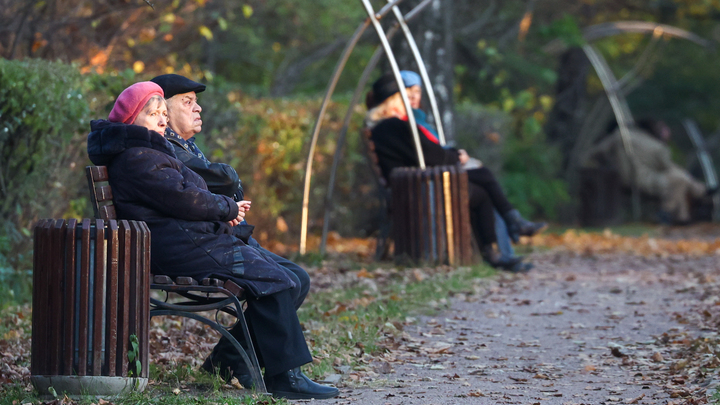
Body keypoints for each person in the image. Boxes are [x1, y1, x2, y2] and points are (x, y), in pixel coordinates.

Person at [86, 81, 339, 400]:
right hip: (181, 247)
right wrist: (227, 208)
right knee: (274, 278)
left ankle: (235, 365)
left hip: (185, 241)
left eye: (164, 113)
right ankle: (286, 377)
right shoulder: (139, 156)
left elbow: (182, 197)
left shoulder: (144, 151)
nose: (163, 119)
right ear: (132, 118)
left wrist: (222, 212)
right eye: (154, 114)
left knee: (283, 278)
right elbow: (183, 199)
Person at [149, 74, 314, 383]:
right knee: (283, 280)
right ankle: (281, 376)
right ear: (163, 111)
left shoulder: (181, 147)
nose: (198, 109)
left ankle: (225, 363)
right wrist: (228, 189)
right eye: (188, 102)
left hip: (210, 238)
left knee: (298, 278)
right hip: (194, 246)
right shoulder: (164, 149)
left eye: (196, 102)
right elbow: (214, 183)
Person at [366, 73, 545, 270]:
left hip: (413, 184)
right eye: (404, 97)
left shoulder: (384, 128)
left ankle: (499, 244)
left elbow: (425, 152)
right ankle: (506, 233)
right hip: (419, 188)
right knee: (483, 178)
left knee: (481, 190)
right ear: (394, 101)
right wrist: (457, 156)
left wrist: (450, 155)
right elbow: (431, 155)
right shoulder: (394, 126)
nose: (409, 102)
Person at [584, 118, 709, 224]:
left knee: (680, 180)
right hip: (645, 181)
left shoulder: (620, 136)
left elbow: (596, 152)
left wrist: (601, 161)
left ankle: (683, 217)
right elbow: (665, 167)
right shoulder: (658, 147)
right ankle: (674, 207)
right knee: (680, 179)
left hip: (623, 177)